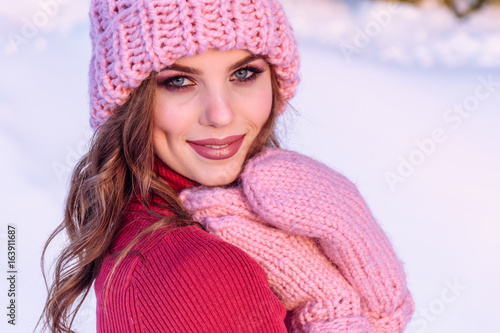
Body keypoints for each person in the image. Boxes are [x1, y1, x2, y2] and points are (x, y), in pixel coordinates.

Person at [40, 0, 414, 332]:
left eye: (244, 74)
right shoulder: (202, 272)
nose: (220, 115)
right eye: (179, 81)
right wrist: (333, 312)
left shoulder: (144, 224)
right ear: (128, 100)